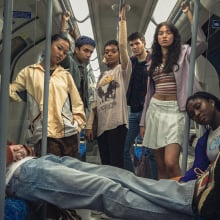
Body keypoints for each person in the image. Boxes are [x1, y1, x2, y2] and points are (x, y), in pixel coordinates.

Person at [5, 91, 220, 220]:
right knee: (106, 190)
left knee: (116, 175)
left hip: (32, 162)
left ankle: (191, 194)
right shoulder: (204, 141)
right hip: (18, 174)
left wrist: (14, 148)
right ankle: (193, 209)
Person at [140, 2, 207, 179]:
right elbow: (148, 95)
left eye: (168, 32)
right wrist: (142, 122)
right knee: (160, 164)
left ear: (174, 36)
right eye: (160, 33)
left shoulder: (184, 52)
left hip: (176, 110)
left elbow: (201, 42)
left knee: (171, 162)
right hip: (155, 110)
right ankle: (165, 200)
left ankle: (178, 199)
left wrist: (189, 13)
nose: (164, 36)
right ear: (157, 38)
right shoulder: (151, 61)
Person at [9, 34, 86, 157]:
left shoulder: (65, 75)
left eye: (65, 52)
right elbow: (12, 92)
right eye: (59, 48)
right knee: (51, 173)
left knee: (68, 173)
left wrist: (77, 124)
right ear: (48, 45)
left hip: (68, 133)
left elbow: (77, 103)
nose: (61, 54)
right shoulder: (29, 72)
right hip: (45, 133)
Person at [85, 5, 132, 168]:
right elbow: (95, 105)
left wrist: (122, 21)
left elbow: (124, 47)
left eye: (113, 51)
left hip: (117, 124)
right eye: (106, 52)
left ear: (119, 54)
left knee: (116, 165)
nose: (109, 53)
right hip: (102, 127)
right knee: (105, 166)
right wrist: (89, 126)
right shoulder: (101, 77)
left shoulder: (122, 70)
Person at [124, 31, 157, 179]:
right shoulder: (131, 63)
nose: (135, 47)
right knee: (124, 148)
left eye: (137, 43)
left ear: (144, 43)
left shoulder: (154, 61)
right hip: (134, 111)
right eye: (131, 45)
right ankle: (133, 178)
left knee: (150, 152)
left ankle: (153, 183)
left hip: (149, 112)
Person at [60, 11, 96, 111]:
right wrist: (64, 23)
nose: (89, 55)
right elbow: (62, 46)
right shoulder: (69, 61)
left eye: (91, 52)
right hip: (67, 108)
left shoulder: (83, 64)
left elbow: (81, 50)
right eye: (86, 51)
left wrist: (76, 37)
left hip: (79, 109)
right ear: (76, 50)